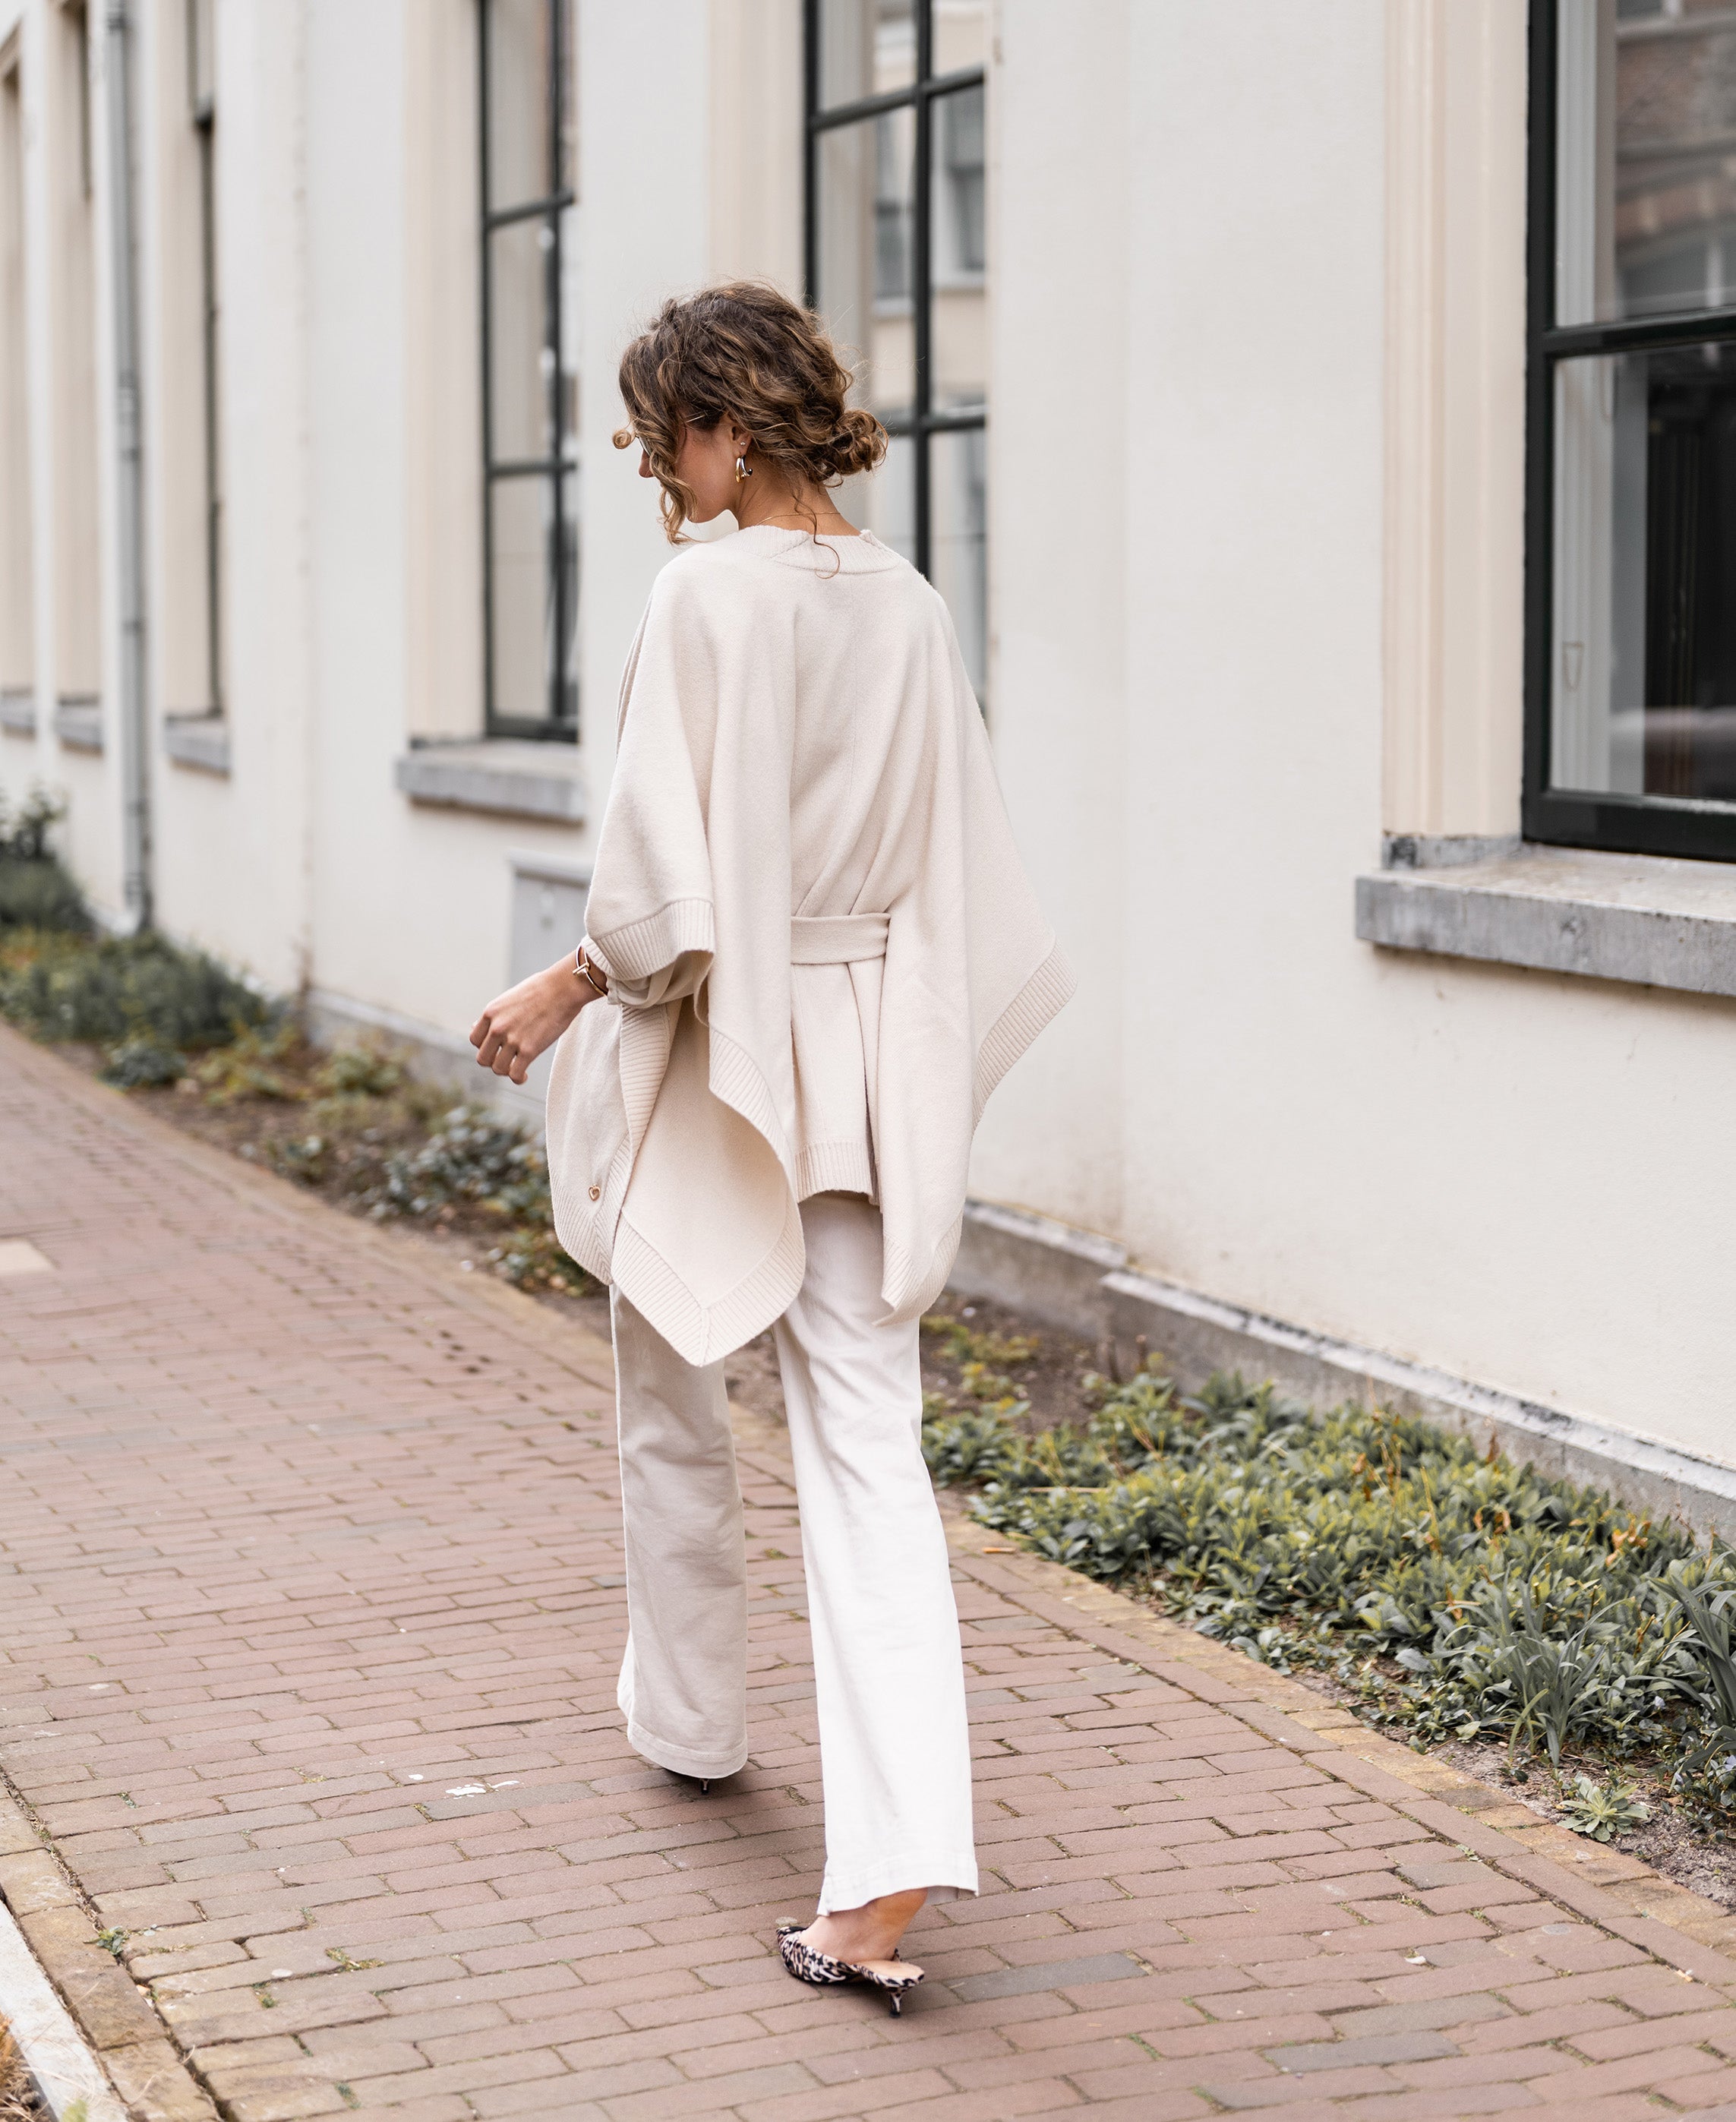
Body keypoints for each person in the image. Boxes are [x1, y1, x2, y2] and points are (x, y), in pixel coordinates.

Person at [469, 282, 1069, 2014]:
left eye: (674, 440)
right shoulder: (910, 603)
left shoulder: (707, 596)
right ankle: (857, 1845)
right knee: (869, 1449)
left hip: (728, 1058)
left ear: (732, 423)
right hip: (870, 1067)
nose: (670, 478)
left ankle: (700, 1718)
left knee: (665, 1374)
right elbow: (965, 870)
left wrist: (565, 984)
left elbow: (661, 887)